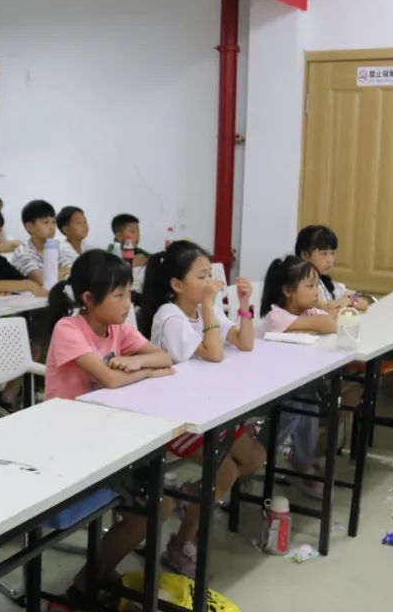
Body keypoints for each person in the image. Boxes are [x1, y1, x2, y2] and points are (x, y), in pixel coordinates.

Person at [45, 250, 175, 602]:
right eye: (118, 295)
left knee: (160, 504)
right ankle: (91, 579)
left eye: (128, 292)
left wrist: (139, 363)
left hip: (108, 433)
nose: (127, 302)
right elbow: (111, 379)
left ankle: (94, 575)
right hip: (67, 441)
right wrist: (145, 370)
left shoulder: (117, 327)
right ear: (89, 299)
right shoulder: (68, 329)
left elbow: (164, 356)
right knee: (155, 506)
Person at [139, 240, 265, 576]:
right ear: (177, 284)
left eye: (211, 274)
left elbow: (245, 343)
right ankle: (178, 545)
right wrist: (210, 306)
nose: (211, 282)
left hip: (206, 407)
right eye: (202, 276)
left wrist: (244, 304)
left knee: (255, 456)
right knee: (225, 472)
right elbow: (214, 353)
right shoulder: (170, 316)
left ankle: (191, 496)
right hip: (175, 417)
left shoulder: (204, 309)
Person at [260, 255, 338, 498]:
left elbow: (331, 320)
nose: (316, 292)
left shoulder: (306, 311)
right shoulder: (277, 316)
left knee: (308, 404)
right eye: (310, 286)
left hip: (290, 383)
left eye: (317, 285)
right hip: (263, 387)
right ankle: (257, 453)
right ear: (287, 291)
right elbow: (329, 324)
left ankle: (302, 464)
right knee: (295, 408)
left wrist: (323, 309)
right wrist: (325, 310)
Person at [295, 224, 370, 311]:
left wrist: (348, 301)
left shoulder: (326, 283)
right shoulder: (302, 286)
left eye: (332, 253)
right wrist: (341, 304)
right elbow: (328, 310)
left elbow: (364, 303)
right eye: (324, 254)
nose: (330, 260)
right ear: (305, 255)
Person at [8, 199, 75, 286]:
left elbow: (73, 271)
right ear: (30, 227)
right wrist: (61, 272)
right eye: (46, 222)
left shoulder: (56, 249)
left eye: (53, 222)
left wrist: (53, 276)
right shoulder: (23, 252)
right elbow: (41, 280)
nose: (52, 227)